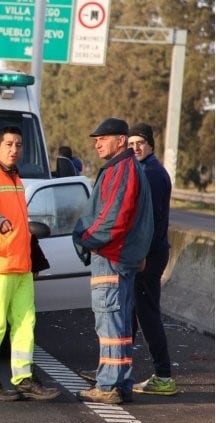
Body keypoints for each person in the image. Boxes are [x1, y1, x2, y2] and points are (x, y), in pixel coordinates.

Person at [0, 126, 60, 401]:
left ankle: (23, 378)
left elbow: (22, 226)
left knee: (25, 322)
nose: (14, 149)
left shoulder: (15, 177)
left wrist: (33, 260)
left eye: (18, 145)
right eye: (8, 144)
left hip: (19, 265)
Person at [73, 118, 153, 404]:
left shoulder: (121, 169)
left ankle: (108, 386)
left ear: (121, 140)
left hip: (111, 257)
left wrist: (86, 239)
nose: (97, 143)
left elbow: (113, 219)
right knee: (118, 326)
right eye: (96, 138)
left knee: (109, 324)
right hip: (123, 257)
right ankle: (120, 383)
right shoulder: (129, 168)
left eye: (103, 138)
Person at [127, 123, 177, 395]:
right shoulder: (144, 169)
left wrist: (143, 254)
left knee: (147, 315)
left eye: (140, 143)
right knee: (132, 314)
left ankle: (164, 375)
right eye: (131, 143)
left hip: (150, 255)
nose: (135, 147)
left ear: (151, 145)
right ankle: (116, 368)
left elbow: (154, 222)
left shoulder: (152, 174)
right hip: (147, 252)